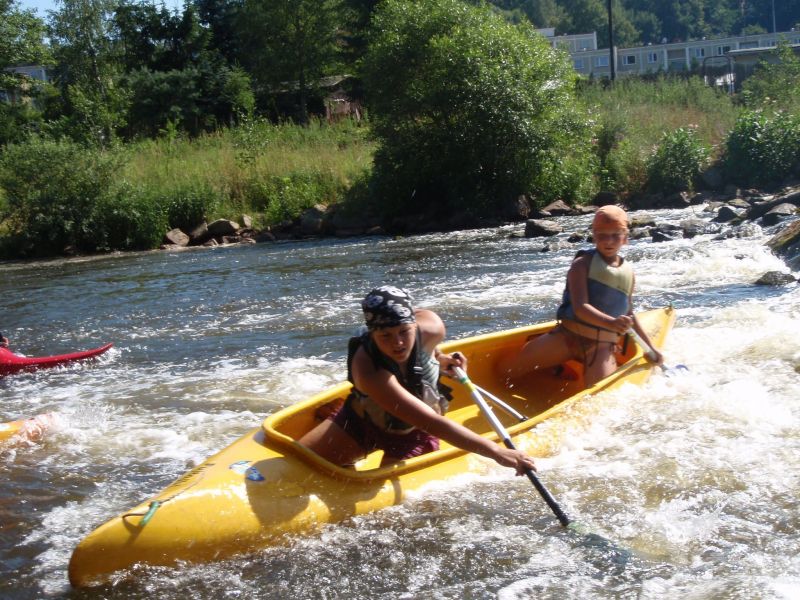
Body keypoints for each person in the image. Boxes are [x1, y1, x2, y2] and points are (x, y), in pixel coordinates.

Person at [299, 285, 537, 475]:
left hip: (412, 434)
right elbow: (430, 421)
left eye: (404, 331)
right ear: (372, 333)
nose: (398, 343)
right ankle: (348, 456)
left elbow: (427, 421)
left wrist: (438, 359)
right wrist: (496, 451)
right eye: (385, 336)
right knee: (301, 465)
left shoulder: (432, 328)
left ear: (415, 324)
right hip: (361, 422)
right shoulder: (368, 370)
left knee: (388, 513)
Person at [499, 205, 663, 388]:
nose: (609, 241)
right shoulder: (582, 264)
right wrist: (612, 323)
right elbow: (580, 308)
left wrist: (650, 347)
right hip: (566, 338)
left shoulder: (628, 273)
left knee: (600, 396)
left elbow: (629, 313)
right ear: (594, 235)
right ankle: (551, 366)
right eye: (602, 235)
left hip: (601, 348)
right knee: (503, 371)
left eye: (616, 235)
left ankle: (557, 367)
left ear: (625, 237)